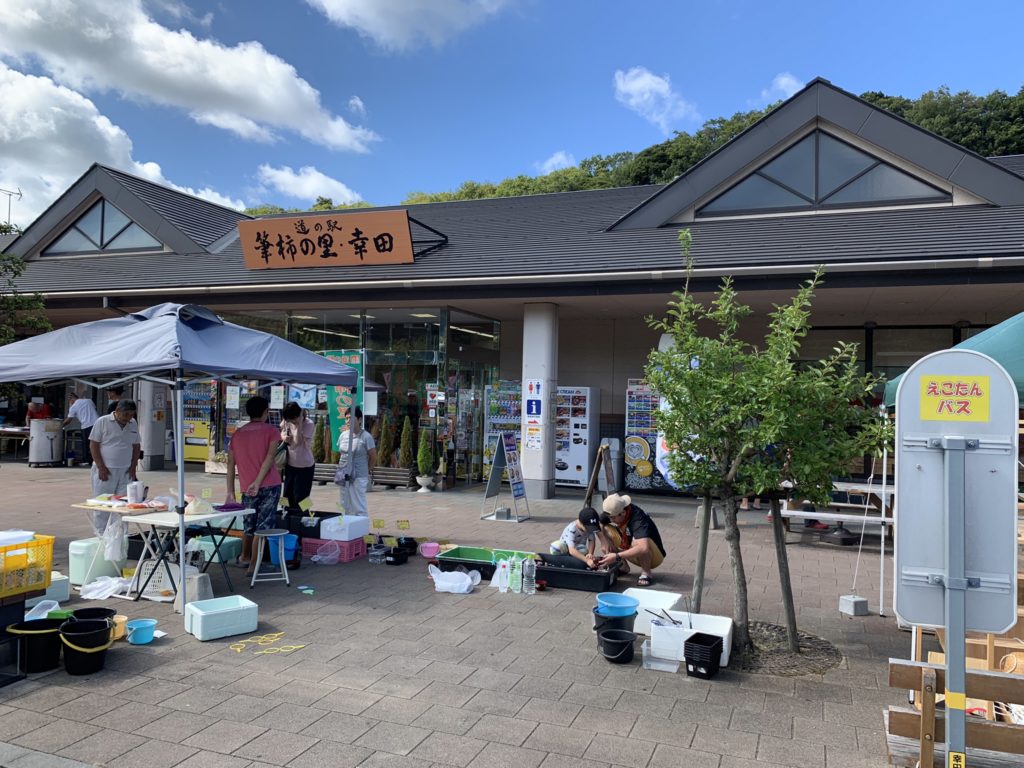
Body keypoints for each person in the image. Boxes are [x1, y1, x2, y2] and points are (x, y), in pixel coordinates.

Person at [225, 396, 282, 573]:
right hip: (269, 484)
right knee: (262, 527)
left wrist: (230, 491)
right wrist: (258, 482)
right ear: (265, 412)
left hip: (246, 486)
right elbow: (270, 458)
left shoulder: (237, 434)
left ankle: (244, 557)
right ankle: (253, 566)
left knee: (249, 524)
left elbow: (230, 464)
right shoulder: (271, 432)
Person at [88, 399, 141, 536]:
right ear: (117, 411)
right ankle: (101, 536)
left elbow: (136, 446)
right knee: (103, 505)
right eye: (126, 414)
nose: (128, 418)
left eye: (131, 415)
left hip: (126, 471)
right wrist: (101, 467)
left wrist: (133, 467)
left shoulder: (133, 423)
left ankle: (119, 536)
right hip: (105, 470)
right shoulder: (102, 421)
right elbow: (94, 445)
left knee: (123, 505)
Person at [598, 493, 666, 587]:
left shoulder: (638, 519)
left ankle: (646, 573)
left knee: (639, 542)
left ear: (623, 513)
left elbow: (643, 548)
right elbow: (599, 523)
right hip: (629, 546)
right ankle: (623, 567)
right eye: (609, 517)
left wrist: (616, 556)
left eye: (613, 518)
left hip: (653, 556)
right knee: (605, 529)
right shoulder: (615, 509)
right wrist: (604, 542)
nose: (611, 520)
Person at [336, 406, 377, 516]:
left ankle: (361, 529)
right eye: (347, 418)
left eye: (351, 418)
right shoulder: (343, 435)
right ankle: (346, 526)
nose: (348, 421)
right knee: (344, 503)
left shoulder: (366, 437)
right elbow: (342, 454)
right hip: (343, 474)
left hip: (359, 475)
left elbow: (373, 457)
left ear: (359, 420)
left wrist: (367, 469)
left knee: (358, 504)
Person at [545, 507, 610, 570]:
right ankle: (563, 561)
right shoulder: (572, 529)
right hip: (566, 549)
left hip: (578, 548)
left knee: (583, 549)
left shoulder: (589, 527)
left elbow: (592, 541)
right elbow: (572, 550)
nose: (589, 530)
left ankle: (578, 560)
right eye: (588, 528)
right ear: (581, 523)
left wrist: (590, 554)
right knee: (556, 547)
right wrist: (587, 560)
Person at [279, 400, 315, 510]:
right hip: (290, 464)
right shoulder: (287, 420)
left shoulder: (309, 424)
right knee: (286, 495)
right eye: (289, 420)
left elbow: (298, 442)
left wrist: (299, 424)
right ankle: (285, 515)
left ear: (298, 415)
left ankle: (304, 515)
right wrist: (284, 437)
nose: (291, 422)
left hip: (305, 466)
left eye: (293, 419)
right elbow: (281, 430)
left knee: (303, 496)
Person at [63, 392, 98, 466]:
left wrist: (60, 426)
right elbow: (94, 408)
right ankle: (96, 459)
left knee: (86, 444)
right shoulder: (89, 400)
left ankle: (87, 460)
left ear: (71, 399)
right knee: (96, 442)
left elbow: (68, 420)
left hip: (86, 426)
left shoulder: (74, 406)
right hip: (97, 423)